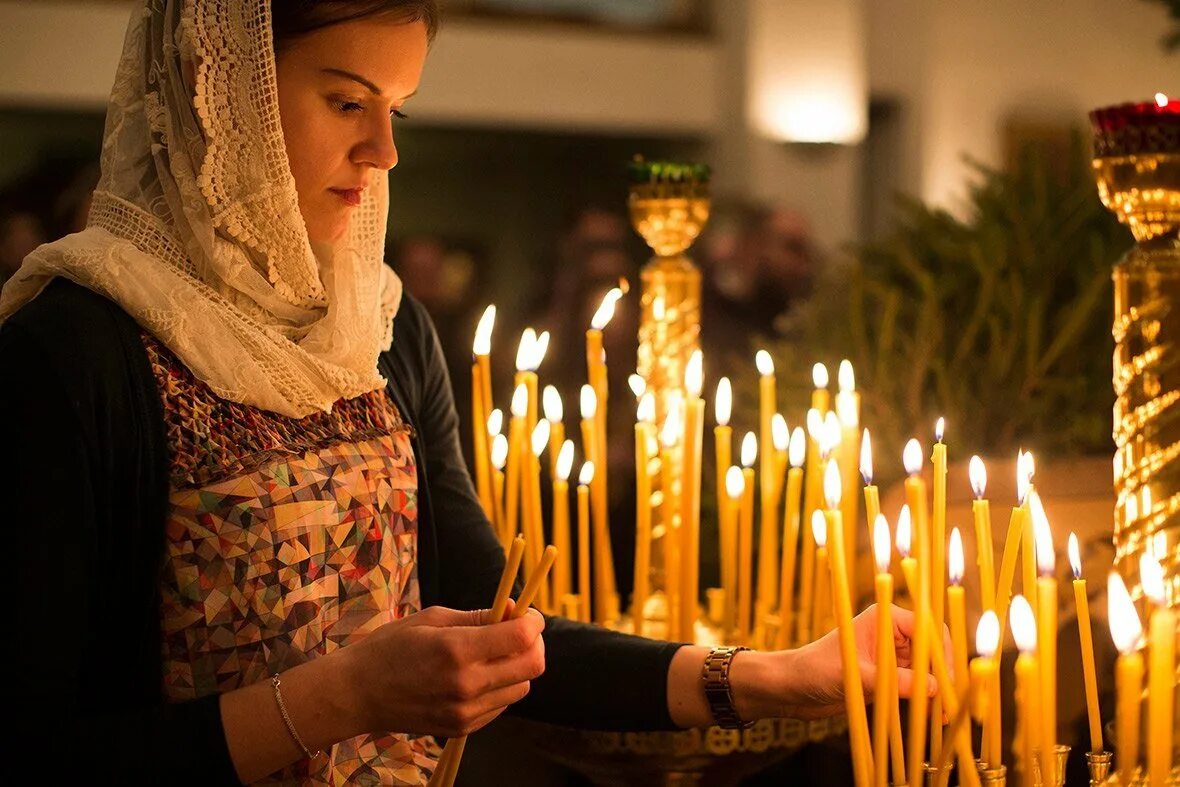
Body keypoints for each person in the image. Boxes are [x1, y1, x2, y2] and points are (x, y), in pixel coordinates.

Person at [0, 2, 938, 784]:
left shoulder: (380, 329)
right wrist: (343, 697)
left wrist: (772, 673)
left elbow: (501, 623)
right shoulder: (77, 355)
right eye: (344, 100)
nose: (382, 153)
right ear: (221, 100)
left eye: (396, 112)